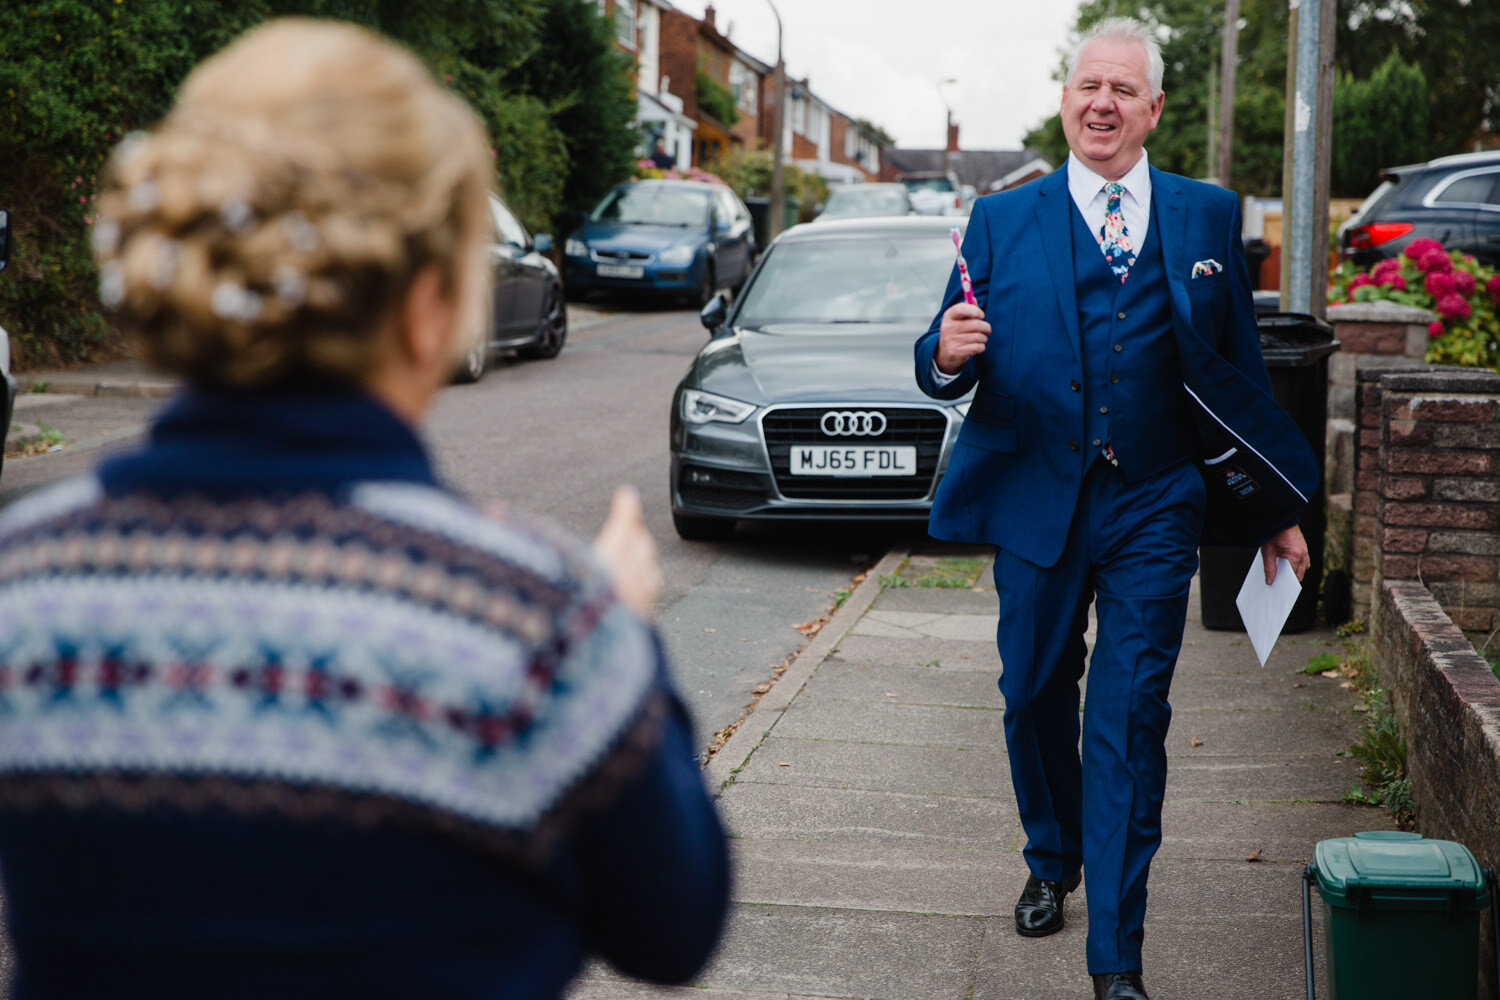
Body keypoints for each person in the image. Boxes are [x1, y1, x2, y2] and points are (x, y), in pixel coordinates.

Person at [0, 19, 729, 1000]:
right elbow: (674, 927)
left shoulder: (23, 581)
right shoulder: (535, 619)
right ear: (427, 306)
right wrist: (627, 641)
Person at [915, 17, 1316, 1000]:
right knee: (1033, 694)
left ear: (1153, 109)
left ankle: (1117, 960)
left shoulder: (1208, 216)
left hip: (1153, 500)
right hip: (1035, 494)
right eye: (1087, 85)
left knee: (1131, 718)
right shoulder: (1002, 220)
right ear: (1066, 99)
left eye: (1122, 90)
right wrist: (945, 354)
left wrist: (1274, 508)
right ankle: (1052, 856)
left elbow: (1240, 375)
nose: (1102, 103)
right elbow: (941, 348)